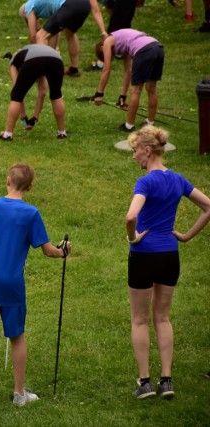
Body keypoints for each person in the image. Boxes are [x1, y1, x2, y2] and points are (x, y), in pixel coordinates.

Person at [0, 163, 70, 406]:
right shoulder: (31, 213)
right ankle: (19, 394)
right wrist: (63, 251)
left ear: (7, 180)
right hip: (12, 284)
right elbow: (48, 251)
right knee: (16, 336)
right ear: (30, 187)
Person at [124, 126, 210, 399]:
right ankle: (167, 380)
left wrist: (133, 237)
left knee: (139, 320)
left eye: (136, 150)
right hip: (169, 255)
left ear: (147, 151)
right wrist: (185, 236)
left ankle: (145, 382)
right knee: (162, 317)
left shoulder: (145, 182)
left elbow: (130, 217)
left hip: (144, 255)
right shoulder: (177, 180)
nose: (135, 155)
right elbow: (209, 206)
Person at [92, 29, 164, 132]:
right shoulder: (123, 42)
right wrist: (123, 95)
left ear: (102, 47)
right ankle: (150, 122)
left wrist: (99, 93)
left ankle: (129, 125)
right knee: (151, 88)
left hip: (144, 51)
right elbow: (128, 71)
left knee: (136, 90)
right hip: (157, 47)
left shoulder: (107, 41)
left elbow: (106, 69)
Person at [0, 44, 67, 140]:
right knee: (56, 96)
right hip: (57, 60)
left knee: (16, 96)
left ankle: (7, 134)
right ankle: (62, 132)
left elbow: (17, 92)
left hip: (34, 60)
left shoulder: (13, 61)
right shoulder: (32, 51)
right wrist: (35, 117)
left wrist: (24, 117)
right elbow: (42, 92)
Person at [20, 0, 106, 77]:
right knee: (70, 33)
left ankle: (43, 71)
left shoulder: (27, 7)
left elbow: (33, 36)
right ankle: (73, 69)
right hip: (84, 4)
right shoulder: (44, 5)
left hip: (69, 5)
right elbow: (55, 32)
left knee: (41, 36)